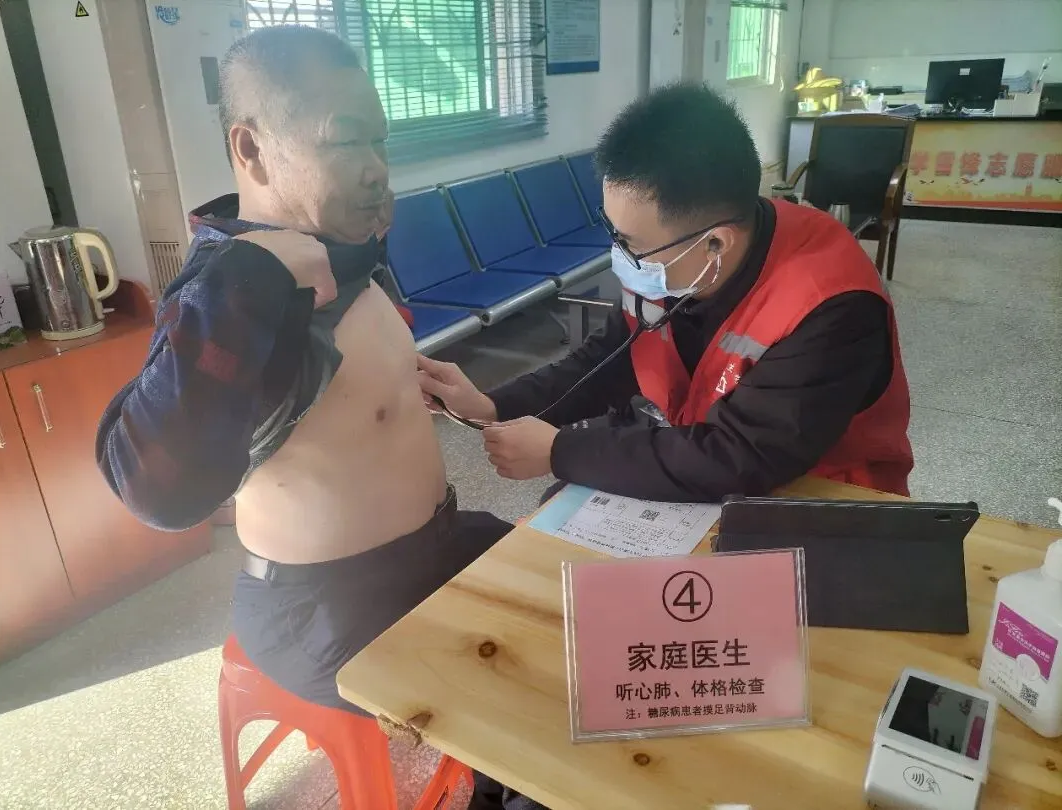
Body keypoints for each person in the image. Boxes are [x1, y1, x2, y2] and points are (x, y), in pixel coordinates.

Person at [95, 25, 535, 810]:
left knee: (560, 600)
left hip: (426, 552)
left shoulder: (334, 251)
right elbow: (156, 489)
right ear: (252, 149)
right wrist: (248, 284)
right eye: (345, 141)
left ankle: (499, 783)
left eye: (380, 141)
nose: (375, 167)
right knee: (518, 687)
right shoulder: (229, 290)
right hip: (325, 606)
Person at [419, 81, 914, 502]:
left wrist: (560, 451)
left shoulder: (831, 305)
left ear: (715, 243)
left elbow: (743, 455)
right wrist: (492, 404)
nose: (620, 256)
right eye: (612, 233)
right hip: (700, 463)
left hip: (820, 496)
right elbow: (606, 360)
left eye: (630, 243)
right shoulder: (676, 263)